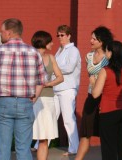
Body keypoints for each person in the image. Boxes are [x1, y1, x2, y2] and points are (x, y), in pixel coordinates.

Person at [0, 18, 46, 160]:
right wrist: (34, 98)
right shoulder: (34, 53)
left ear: (8, 33)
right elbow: (41, 81)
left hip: (3, 102)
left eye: (1, 32)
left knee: (2, 147)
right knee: (23, 148)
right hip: (25, 102)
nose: (0, 35)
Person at [75, 26, 111, 160]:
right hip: (91, 97)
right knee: (85, 132)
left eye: (94, 39)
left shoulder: (109, 57)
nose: (90, 41)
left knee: (106, 133)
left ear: (102, 41)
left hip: (105, 98)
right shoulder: (89, 56)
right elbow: (90, 76)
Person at [92, 40, 122, 160]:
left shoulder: (105, 70)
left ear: (111, 53)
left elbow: (95, 94)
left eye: (107, 51)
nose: (105, 54)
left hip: (108, 111)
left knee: (109, 146)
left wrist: (93, 81)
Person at [30, 31, 64, 160]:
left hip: (48, 100)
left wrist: (48, 83)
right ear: (44, 42)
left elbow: (60, 77)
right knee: (28, 136)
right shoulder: (30, 56)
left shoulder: (51, 57)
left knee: (44, 138)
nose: (53, 43)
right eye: (50, 41)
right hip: (32, 99)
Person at [53, 24, 81, 156]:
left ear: (69, 35)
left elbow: (69, 68)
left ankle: (74, 148)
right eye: (58, 35)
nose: (60, 37)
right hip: (56, 87)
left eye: (62, 35)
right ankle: (39, 144)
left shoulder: (73, 50)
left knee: (68, 119)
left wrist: (55, 68)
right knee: (51, 116)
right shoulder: (59, 51)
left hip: (68, 88)